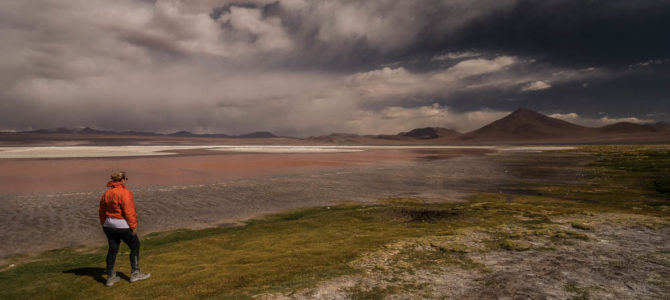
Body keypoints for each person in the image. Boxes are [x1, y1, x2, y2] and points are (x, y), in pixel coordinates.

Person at [99, 171, 150, 287]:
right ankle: (135, 273)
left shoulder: (107, 193)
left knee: (113, 248)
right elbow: (129, 211)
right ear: (122, 180)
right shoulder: (125, 193)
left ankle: (110, 277)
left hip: (109, 225)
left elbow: (101, 211)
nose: (126, 180)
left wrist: (104, 223)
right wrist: (133, 226)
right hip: (122, 225)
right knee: (135, 245)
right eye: (126, 178)